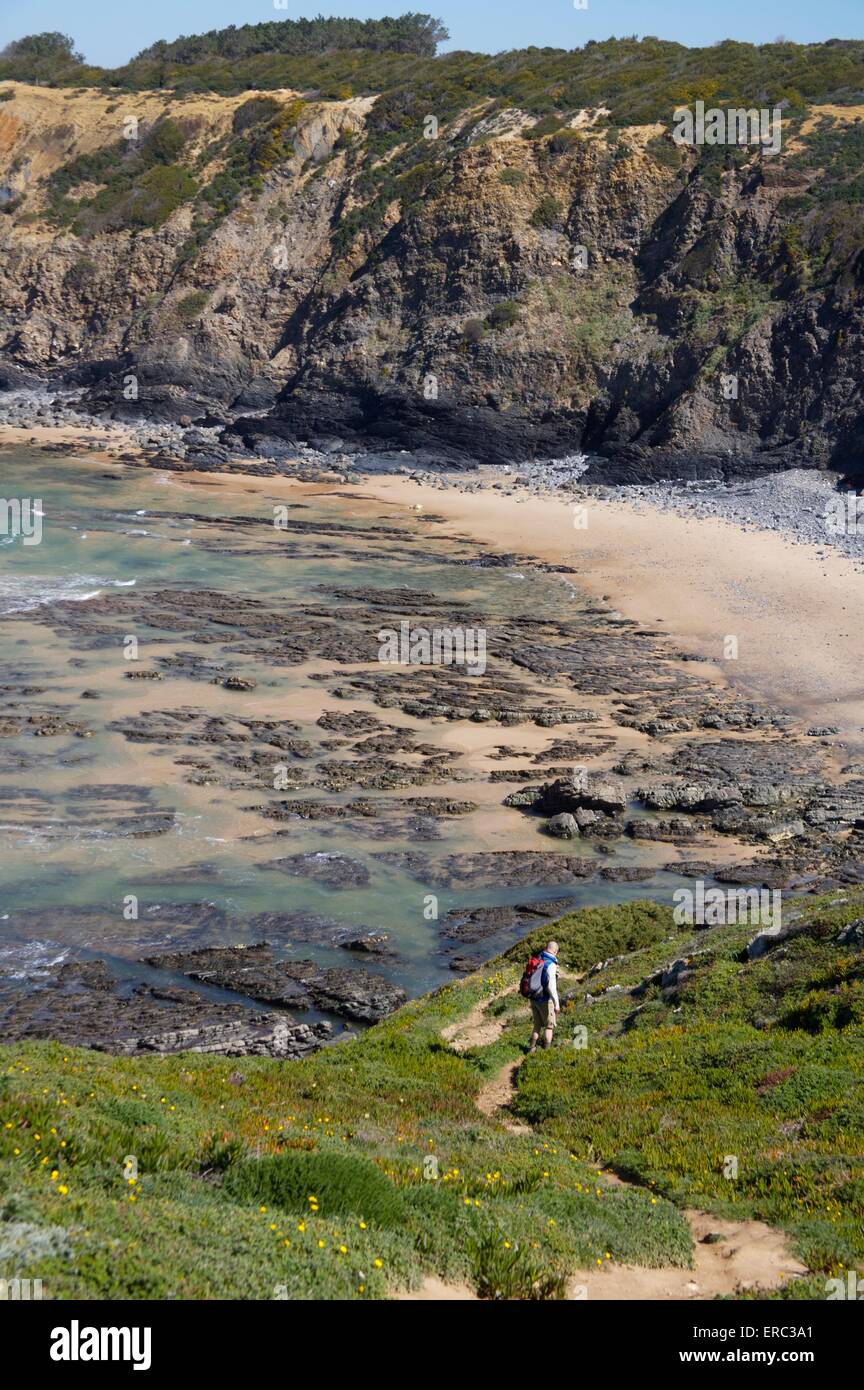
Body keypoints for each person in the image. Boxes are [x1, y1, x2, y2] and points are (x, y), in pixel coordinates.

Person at [528, 940, 560, 1053]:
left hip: (533, 997)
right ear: (555, 952)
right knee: (549, 1026)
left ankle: (531, 1048)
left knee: (536, 1025)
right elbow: (551, 987)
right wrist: (557, 1004)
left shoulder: (539, 957)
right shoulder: (551, 964)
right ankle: (546, 1052)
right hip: (545, 1000)